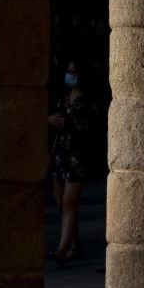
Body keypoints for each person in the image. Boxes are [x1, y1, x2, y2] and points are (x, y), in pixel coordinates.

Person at [47, 60, 95, 265]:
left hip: (77, 156)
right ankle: (75, 246)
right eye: (68, 71)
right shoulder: (62, 96)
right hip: (60, 154)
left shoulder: (88, 100)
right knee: (62, 205)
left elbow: (88, 127)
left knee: (69, 203)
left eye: (74, 71)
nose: (70, 74)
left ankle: (61, 249)